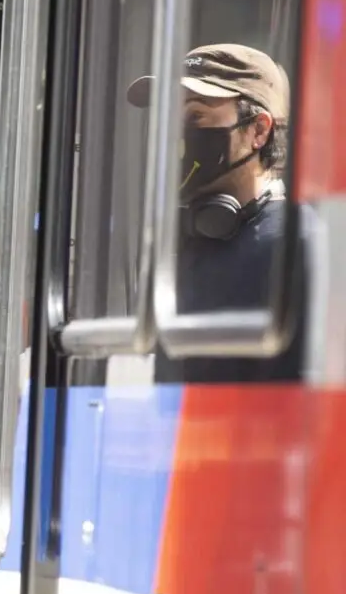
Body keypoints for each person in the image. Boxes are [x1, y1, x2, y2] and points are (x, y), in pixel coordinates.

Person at [126, 43, 306, 383]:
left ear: (258, 130)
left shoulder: (302, 246)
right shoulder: (177, 245)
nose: (177, 135)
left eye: (196, 116)